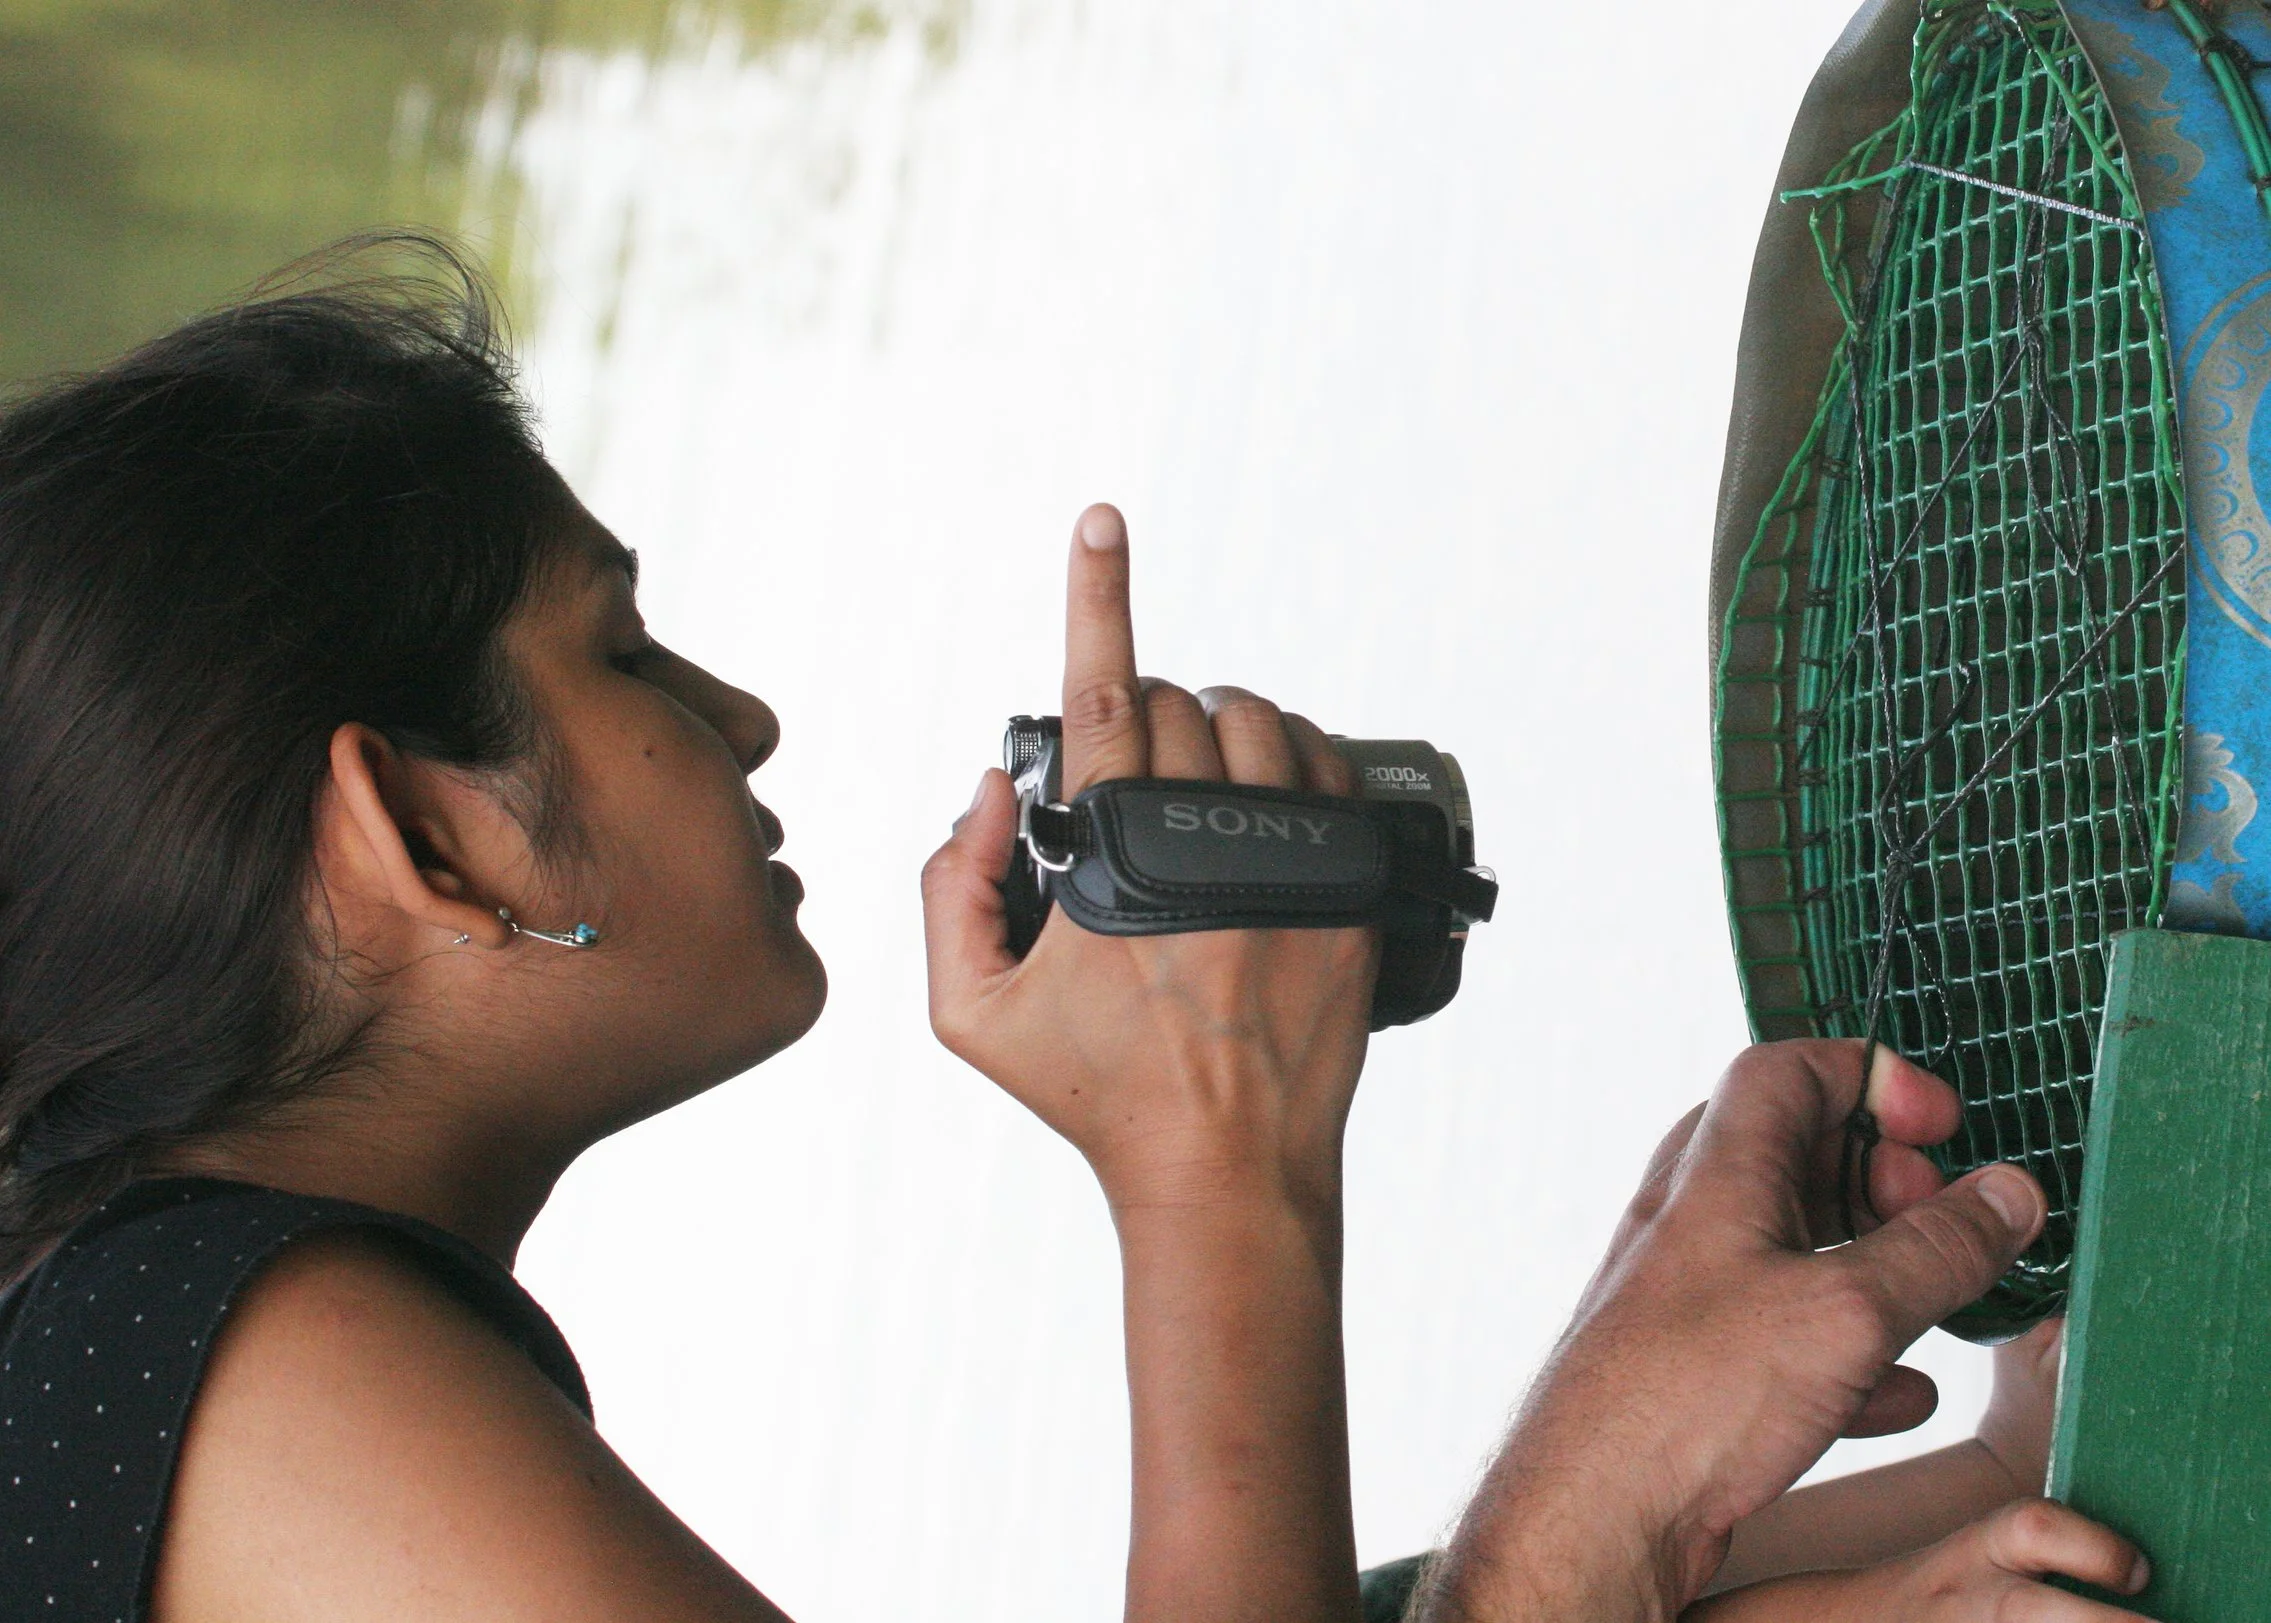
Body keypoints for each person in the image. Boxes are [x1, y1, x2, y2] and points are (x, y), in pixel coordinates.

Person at [0, 239, 2146, 1623]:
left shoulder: (144, 1353)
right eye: (624, 653)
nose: (737, 717)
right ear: (422, 839)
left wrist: (1894, 1466)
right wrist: (1221, 1167)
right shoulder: (235, 1379)